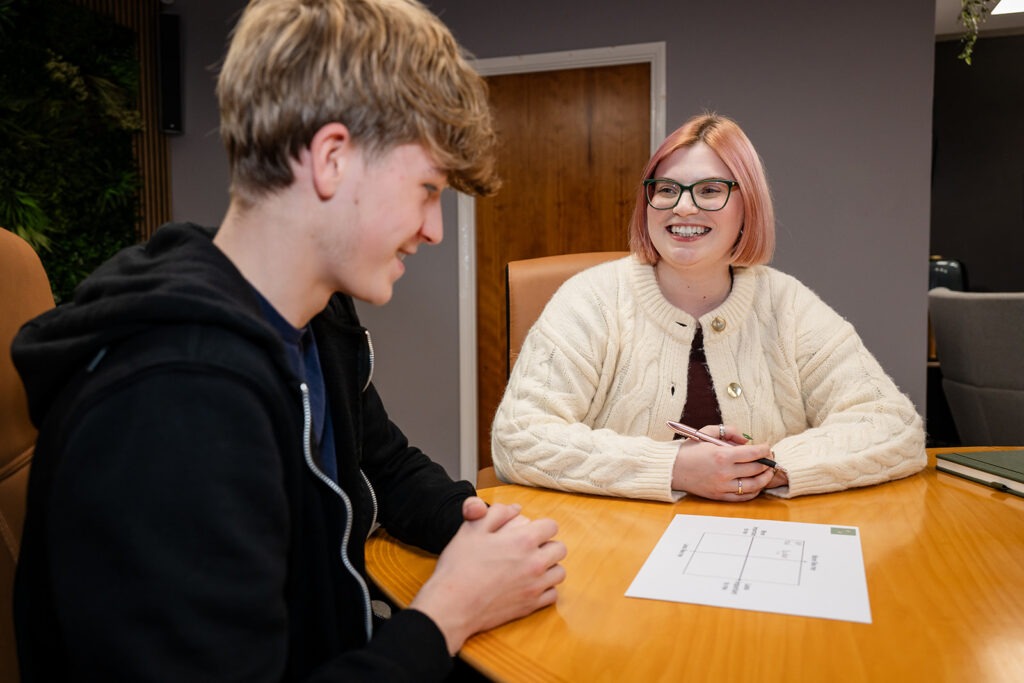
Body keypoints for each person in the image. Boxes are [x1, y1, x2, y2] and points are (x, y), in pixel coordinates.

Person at [11, 0, 566, 680]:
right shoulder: (172, 402)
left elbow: (382, 465)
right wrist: (448, 610)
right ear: (332, 158)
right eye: (427, 189)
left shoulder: (316, 319)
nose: (435, 229)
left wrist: (478, 528)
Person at [491, 112, 926, 503]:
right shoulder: (589, 300)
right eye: (666, 189)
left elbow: (896, 427)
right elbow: (518, 438)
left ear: (747, 205)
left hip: (762, 543)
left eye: (711, 190)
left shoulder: (788, 306)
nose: (683, 206)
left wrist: (766, 465)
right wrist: (674, 467)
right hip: (615, 547)